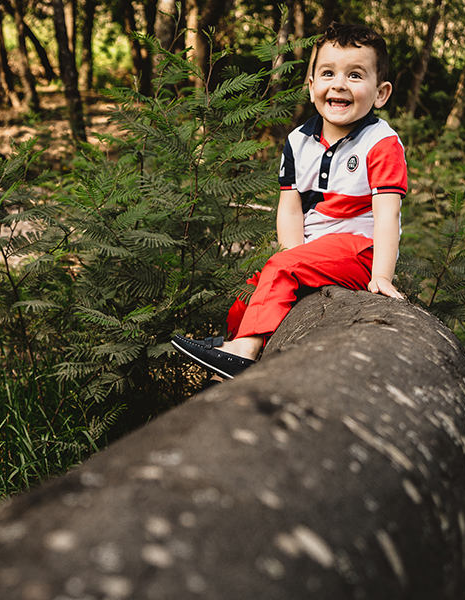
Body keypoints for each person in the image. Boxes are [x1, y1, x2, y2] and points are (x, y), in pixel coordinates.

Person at [172, 22, 407, 379]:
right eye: (328, 73)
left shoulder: (381, 142)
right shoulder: (299, 140)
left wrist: (382, 277)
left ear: (381, 93)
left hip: (361, 252)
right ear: (311, 86)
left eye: (356, 75)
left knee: (281, 270)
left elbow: (388, 214)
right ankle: (232, 343)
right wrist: (292, 252)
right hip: (314, 253)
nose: (339, 84)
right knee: (249, 291)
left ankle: (245, 353)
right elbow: (290, 206)